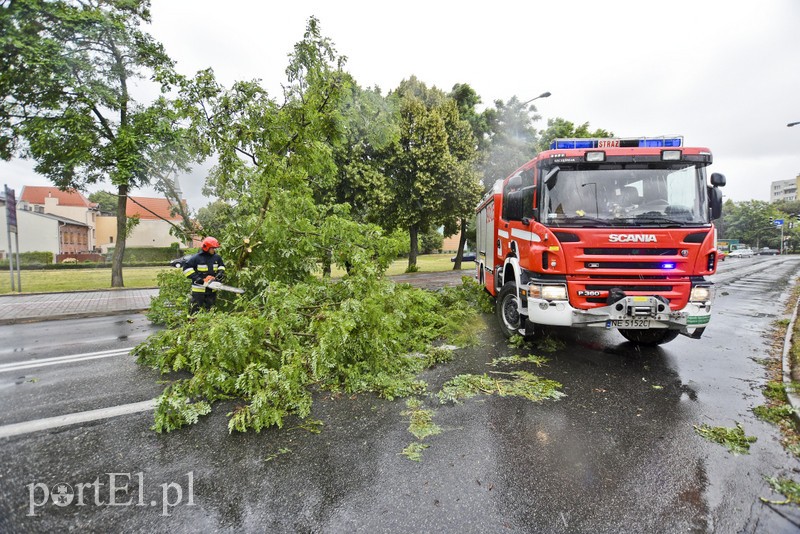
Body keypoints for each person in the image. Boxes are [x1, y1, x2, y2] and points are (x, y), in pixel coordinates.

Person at [183, 236, 226, 314]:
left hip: (212, 288)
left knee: (211, 309)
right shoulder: (196, 258)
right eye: (212, 248)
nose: (214, 250)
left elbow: (221, 266)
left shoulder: (217, 257)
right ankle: (192, 323)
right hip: (199, 289)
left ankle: (210, 323)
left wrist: (220, 273)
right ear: (207, 247)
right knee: (195, 308)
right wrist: (197, 278)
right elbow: (186, 268)